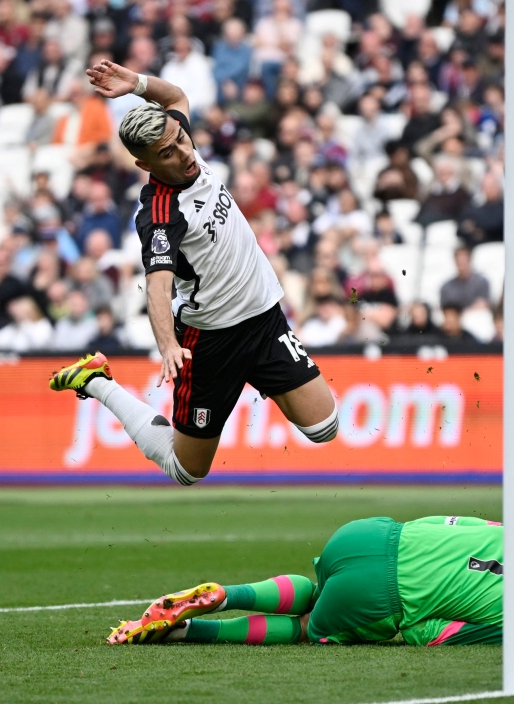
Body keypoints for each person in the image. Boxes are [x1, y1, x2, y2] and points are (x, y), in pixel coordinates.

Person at [49, 60, 338, 488]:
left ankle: (258, 376)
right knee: (187, 470)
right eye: (167, 153)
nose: (184, 154)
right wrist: (168, 345)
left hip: (263, 316)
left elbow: (175, 99)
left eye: (181, 139)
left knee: (324, 428)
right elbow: (158, 285)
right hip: (212, 340)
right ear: (142, 162)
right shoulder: (160, 215)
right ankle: (95, 381)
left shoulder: (180, 143)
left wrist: (137, 84)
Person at [105, 515, 514, 646]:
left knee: (315, 586)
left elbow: (442, 523)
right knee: (310, 626)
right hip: (379, 594)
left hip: (369, 534)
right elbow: (430, 633)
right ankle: (189, 631)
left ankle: (226, 593)